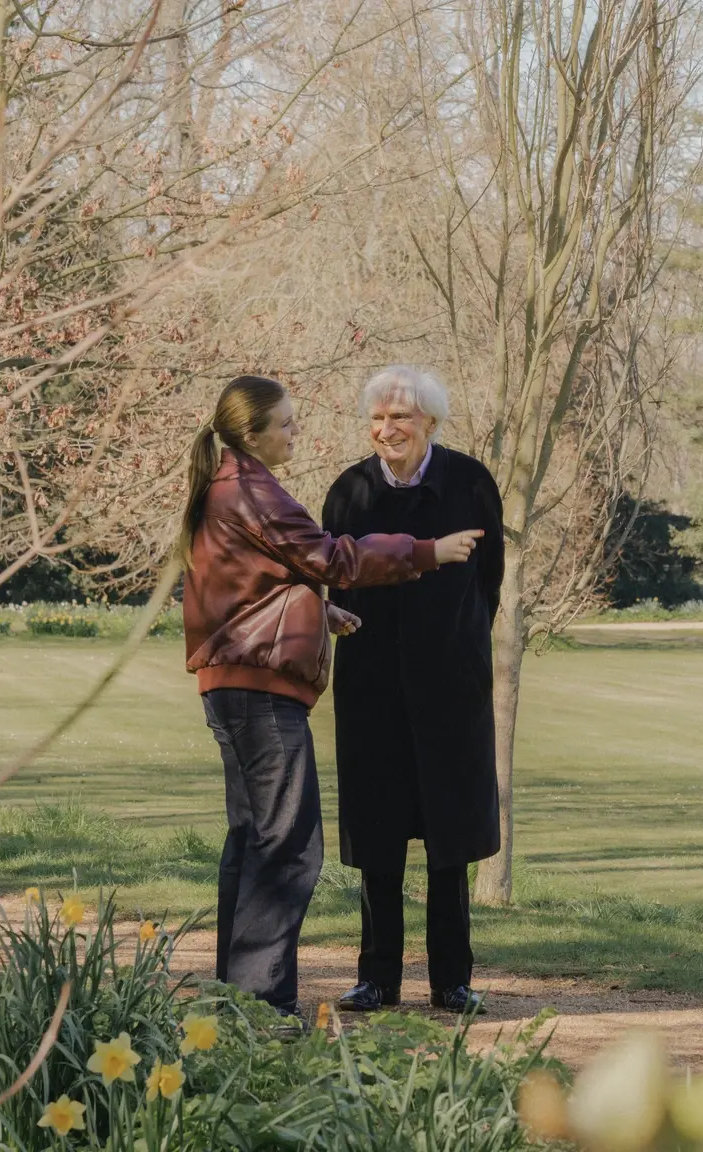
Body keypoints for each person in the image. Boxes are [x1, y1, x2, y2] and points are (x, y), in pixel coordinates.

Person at [180, 374, 482, 1021]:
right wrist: (428, 551)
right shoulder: (250, 489)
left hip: (234, 683)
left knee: (253, 838)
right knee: (288, 849)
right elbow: (332, 558)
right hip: (260, 692)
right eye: (286, 424)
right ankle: (264, 1006)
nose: (296, 433)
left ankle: (240, 1000)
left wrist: (316, 614)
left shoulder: (227, 486)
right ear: (252, 434)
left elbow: (256, 582)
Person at [322, 365, 505, 1015]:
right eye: (377, 417)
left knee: (450, 838)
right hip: (371, 687)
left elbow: (489, 582)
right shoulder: (348, 491)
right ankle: (377, 978)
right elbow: (335, 580)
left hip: (451, 688)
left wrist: (456, 647)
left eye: (399, 417)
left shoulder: (471, 482)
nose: (386, 428)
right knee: (378, 837)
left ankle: (452, 981)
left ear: (430, 420)